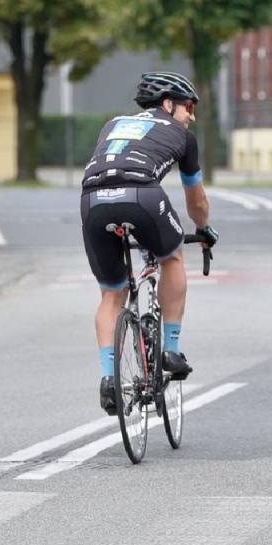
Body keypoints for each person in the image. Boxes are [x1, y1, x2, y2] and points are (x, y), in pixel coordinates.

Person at [81, 72, 218, 417]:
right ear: (168, 104)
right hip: (141, 195)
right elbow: (196, 201)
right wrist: (204, 230)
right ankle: (171, 350)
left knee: (111, 295)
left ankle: (109, 378)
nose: (192, 116)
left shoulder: (112, 124)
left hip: (92, 200)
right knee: (172, 257)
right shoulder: (184, 137)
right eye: (189, 107)